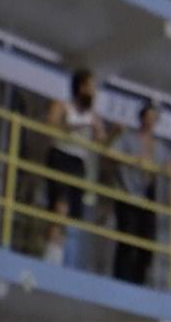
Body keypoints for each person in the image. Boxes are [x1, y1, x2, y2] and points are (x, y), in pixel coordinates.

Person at [43, 69, 109, 266]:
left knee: (73, 213)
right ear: (80, 87)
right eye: (90, 87)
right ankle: (51, 257)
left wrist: (114, 132)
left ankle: (66, 258)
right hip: (60, 155)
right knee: (59, 208)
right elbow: (50, 126)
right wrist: (74, 128)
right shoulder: (62, 106)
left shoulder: (93, 116)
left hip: (78, 162)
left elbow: (102, 142)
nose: (93, 92)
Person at [111, 100, 167, 285]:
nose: (151, 121)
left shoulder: (159, 146)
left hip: (147, 198)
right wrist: (134, 161)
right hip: (128, 193)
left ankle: (139, 281)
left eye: (154, 118)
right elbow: (112, 153)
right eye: (148, 116)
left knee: (147, 243)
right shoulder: (128, 138)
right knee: (127, 239)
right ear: (142, 117)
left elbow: (166, 167)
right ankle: (121, 280)